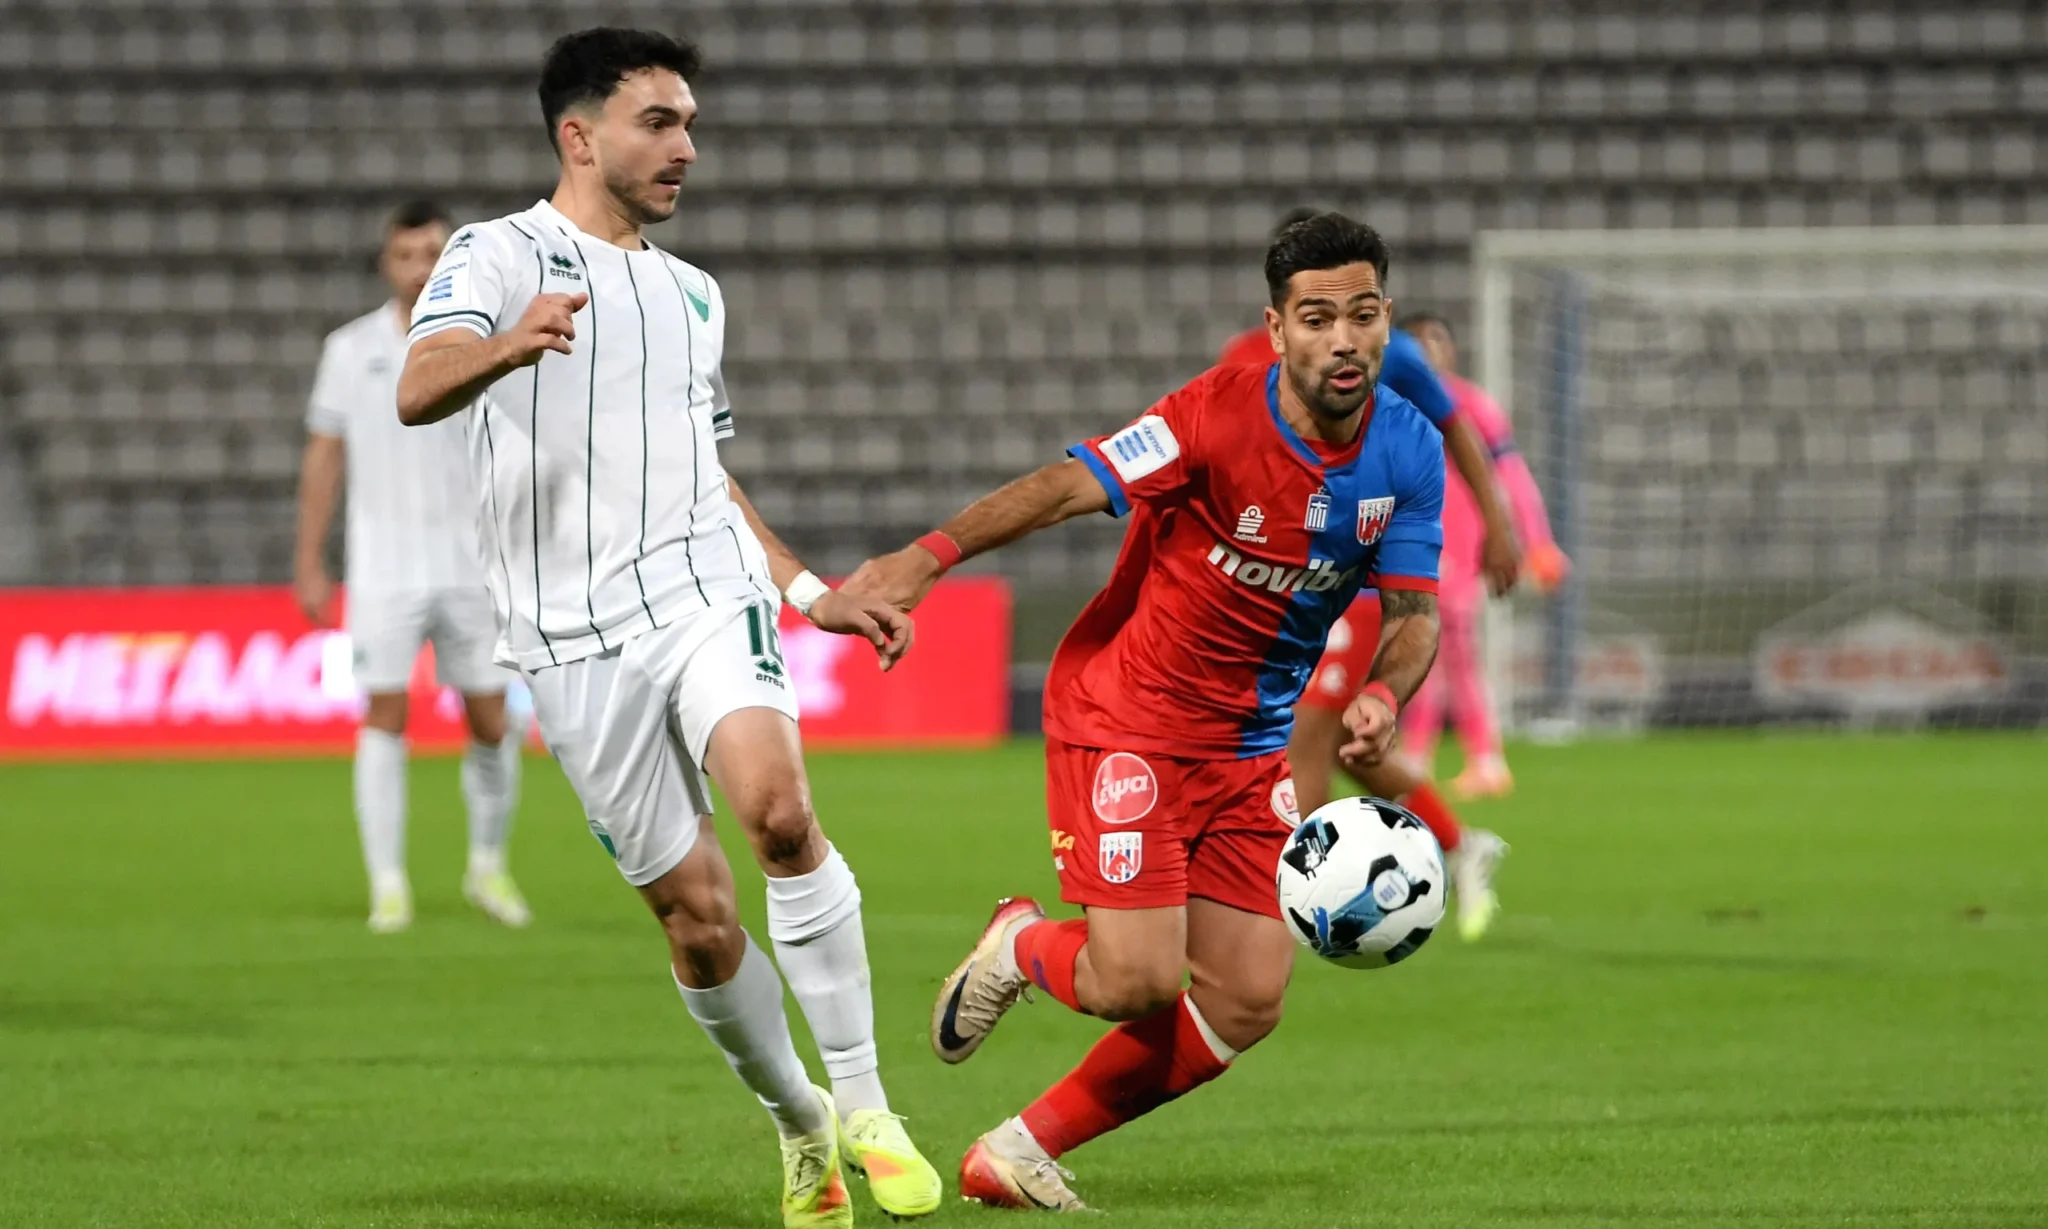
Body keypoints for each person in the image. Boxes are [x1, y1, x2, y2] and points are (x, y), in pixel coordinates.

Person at [392, 29, 939, 1227]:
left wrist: (804, 590)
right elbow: (417, 387)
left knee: (779, 812)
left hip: (700, 591)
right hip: (567, 637)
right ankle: (798, 1118)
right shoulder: (495, 252)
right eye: (658, 121)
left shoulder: (695, 294)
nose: (686, 145)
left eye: (689, 122)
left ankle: (865, 1101)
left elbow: (706, 477)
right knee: (696, 918)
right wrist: (508, 343)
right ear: (578, 135)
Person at [846, 213, 1443, 1211]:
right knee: (1136, 982)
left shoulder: (1408, 449)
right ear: (1276, 329)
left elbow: (1415, 614)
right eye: (1316, 319)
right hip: (1129, 723)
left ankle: (1015, 1150)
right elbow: (1063, 487)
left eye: (1363, 314)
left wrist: (1383, 692)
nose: (1343, 340)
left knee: (1246, 998)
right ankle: (1020, 944)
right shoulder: (1209, 416)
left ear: (1387, 318)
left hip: (1250, 748)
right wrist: (924, 559)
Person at [1226, 216, 1512, 941]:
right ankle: (1457, 841)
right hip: (1281, 589)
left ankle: (1285, 904)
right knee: (1344, 743)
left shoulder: (1394, 355)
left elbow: (1456, 428)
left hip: (1353, 579)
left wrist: (1498, 525)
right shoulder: (1246, 361)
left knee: (1307, 739)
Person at [294, 199, 530, 935]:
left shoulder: (483, 344)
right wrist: (309, 558)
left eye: (433, 253)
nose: (420, 268)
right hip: (383, 568)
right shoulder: (350, 349)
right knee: (384, 713)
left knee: (491, 719)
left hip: (475, 564)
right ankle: (388, 882)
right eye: (406, 255)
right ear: (386, 263)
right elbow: (324, 456)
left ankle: (487, 864)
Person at [1397, 311, 1569, 799]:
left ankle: (1476, 756)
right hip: (1409, 539)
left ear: (1451, 349)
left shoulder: (1471, 405)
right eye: (1417, 341)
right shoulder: (1390, 406)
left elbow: (1512, 475)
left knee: (1448, 647)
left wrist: (1537, 541)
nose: (1429, 348)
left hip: (1460, 542)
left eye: (1437, 338)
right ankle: (1429, 756)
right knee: (1422, 646)